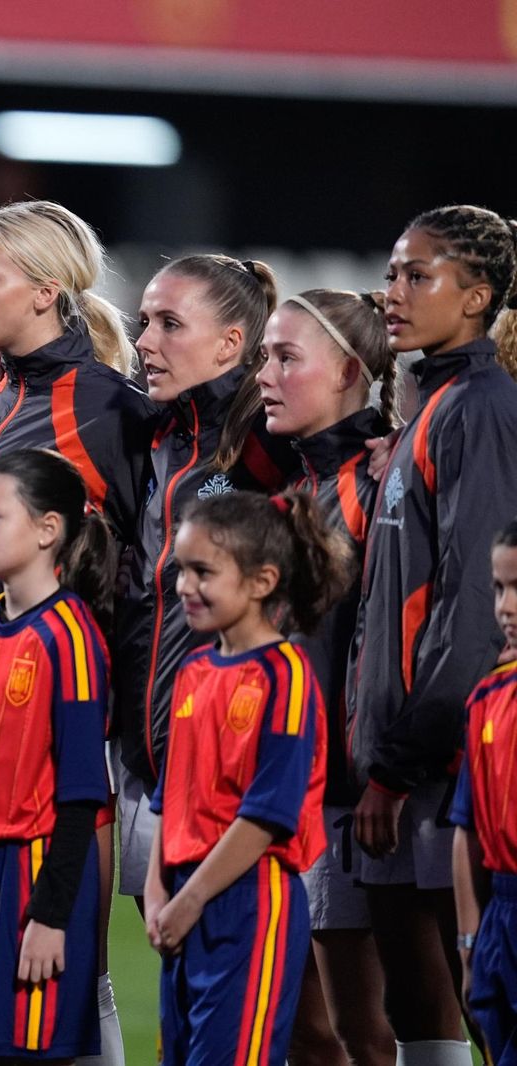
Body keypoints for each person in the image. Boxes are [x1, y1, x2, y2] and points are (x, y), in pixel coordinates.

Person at [0, 201, 148, 1064]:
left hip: (59, 736)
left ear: (48, 290)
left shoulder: (103, 405)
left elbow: (149, 560)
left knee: (61, 986)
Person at [349, 206, 517, 1066]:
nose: (394, 293)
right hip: (409, 760)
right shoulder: (436, 401)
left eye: (420, 276)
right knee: (416, 1022)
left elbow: (475, 603)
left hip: (436, 770)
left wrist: (394, 765)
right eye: (392, 272)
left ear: (477, 296)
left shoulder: (479, 409)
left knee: (453, 1016)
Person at [116, 254, 296, 911]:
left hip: (234, 766)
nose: (144, 342)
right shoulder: (149, 433)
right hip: (148, 760)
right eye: (143, 322)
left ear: (231, 343)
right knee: (182, 992)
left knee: (273, 999)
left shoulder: (270, 443)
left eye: (169, 323)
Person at [144, 490, 349, 1066]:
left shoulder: (285, 675)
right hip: (184, 895)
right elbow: (171, 799)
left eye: (203, 572)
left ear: (261, 581)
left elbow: (267, 813)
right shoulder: (192, 671)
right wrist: (160, 893)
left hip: (248, 900)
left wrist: (188, 901)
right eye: (181, 569)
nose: (185, 586)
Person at [257, 290, 399, 1066]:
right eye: (263, 358)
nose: (266, 376)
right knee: (311, 1033)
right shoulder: (298, 488)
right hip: (299, 795)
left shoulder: (382, 482)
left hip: (354, 795)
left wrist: (381, 773)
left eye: (285, 359)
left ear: (348, 371)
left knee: (365, 1033)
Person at [0, 448, 115, 1064]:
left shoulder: (69, 637)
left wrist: (50, 914)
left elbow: (81, 796)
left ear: (49, 530)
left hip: (32, 876)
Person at [449, 521, 517, 1066]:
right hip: (500, 916)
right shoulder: (488, 698)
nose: (506, 607)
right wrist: (470, 943)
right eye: (498, 588)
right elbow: (466, 829)